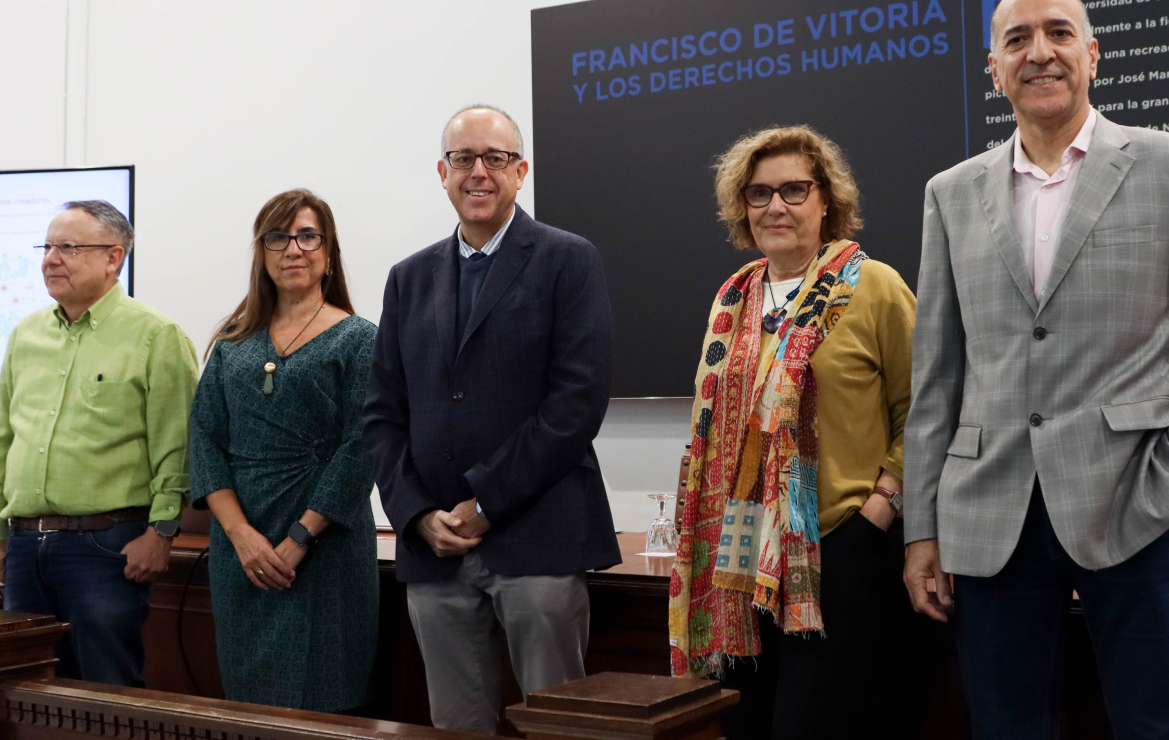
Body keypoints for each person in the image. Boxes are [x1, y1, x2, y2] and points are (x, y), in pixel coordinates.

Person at [903, 0, 1169, 739]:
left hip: (1140, 500)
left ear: (1092, 54)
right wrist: (922, 528)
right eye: (1017, 40)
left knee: (1161, 725)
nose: (1039, 52)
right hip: (990, 515)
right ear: (994, 69)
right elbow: (937, 376)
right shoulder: (950, 194)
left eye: (1059, 33)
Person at [363, 104, 620, 735]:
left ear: (520, 171)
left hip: (538, 539)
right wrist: (416, 515)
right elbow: (382, 415)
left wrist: (485, 501)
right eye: (463, 159)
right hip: (435, 550)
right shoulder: (408, 278)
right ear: (443, 173)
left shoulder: (568, 259)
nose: (478, 172)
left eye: (495, 158)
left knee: (558, 726)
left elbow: (576, 403)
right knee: (456, 727)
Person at [670, 126, 927, 740]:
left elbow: (926, 406)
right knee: (747, 726)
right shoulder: (734, 297)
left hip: (839, 551)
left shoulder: (874, 286)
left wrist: (883, 503)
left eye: (793, 190)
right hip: (740, 558)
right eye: (759, 193)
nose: (775, 207)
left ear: (825, 199)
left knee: (815, 725)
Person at [0, 200, 199, 687]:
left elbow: (178, 443)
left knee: (106, 692)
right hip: (24, 544)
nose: (50, 259)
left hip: (107, 545)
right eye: (47, 246)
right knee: (28, 690)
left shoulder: (155, 335)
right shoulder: (26, 334)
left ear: (113, 257)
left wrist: (161, 533)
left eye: (68, 247)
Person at [187, 189, 378, 712]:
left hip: (327, 547)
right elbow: (204, 439)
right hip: (241, 549)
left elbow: (363, 446)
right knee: (249, 708)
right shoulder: (232, 341)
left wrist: (300, 538)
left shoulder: (360, 338)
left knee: (325, 700)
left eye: (308, 236)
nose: (293, 248)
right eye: (278, 237)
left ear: (329, 253)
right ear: (262, 252)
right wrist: (241, 535)